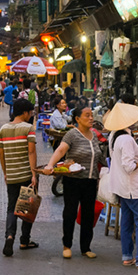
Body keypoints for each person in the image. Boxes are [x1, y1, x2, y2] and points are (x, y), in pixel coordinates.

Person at [43, 106, 107, 259]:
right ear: (77, 119)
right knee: (70, 213)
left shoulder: (94, 136)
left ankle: (86, 247)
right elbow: (61, 150)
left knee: (88, 215)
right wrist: (50, 165)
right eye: (87, 115)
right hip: (73, 181)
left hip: (91, 181)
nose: (91, 118)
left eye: (91, 115)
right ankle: (67, 245)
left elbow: (99, 156)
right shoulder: (72, 134)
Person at [105, 103, 138, 270]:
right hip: (131, 187)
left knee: (127, 221)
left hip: (122, 186)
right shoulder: (126, 139)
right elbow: (129, 166)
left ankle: (127, 256)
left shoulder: (114, 136)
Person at [0, 99, 39, 257]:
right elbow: (31, 152)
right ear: (25, 113)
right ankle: (24, 240)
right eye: (30, 112)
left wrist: (5, 172)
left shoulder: (3, 129)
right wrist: (34, 174)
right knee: (27, 208)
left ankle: (9, 236)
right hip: (26, 175)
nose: (31, 115)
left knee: (11, 209)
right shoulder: (28, 128)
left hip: (12, 176)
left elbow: (1, 154)